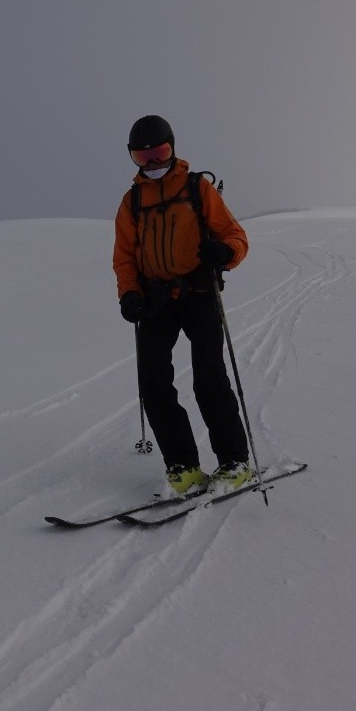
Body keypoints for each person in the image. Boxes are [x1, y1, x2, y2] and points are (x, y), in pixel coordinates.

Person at [113, 114, 253, 495]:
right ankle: (183, 466)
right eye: (143, 157)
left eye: (160, 152)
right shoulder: (133, 202)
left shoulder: (197, 189)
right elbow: (124, 257)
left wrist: (224, 251)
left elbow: (235, 235)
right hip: (156, 300)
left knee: (209, 377)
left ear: (173, 149)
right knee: (153, 382)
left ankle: (234, 462)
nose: (154, 163)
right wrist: (129, 293)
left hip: (200, 293)